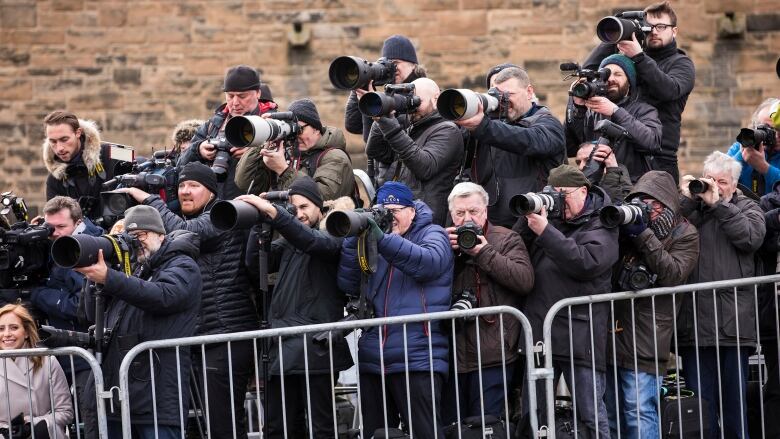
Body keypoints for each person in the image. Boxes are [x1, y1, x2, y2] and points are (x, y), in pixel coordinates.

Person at [115, 162, 258, 438]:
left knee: (222, 425)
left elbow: (183, 230)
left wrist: (149, 201)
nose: (185, 192)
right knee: (193, 426)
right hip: (196, 335)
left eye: (194, 185)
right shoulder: (177, 218)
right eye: (181, 185)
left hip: (224, 336)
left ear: (212, 192)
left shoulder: (221, 216)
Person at [236, 176, 352, 438]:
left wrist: (275, 214)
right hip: (282, 345)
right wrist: (260, 221)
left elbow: (311, 241)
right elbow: (255, 264)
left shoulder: (333, 235)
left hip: (317, 348)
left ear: (320, 209)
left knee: (321, 427)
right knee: (279, 427)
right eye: (294, 208)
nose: (299, 214)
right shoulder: (289, 241)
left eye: (305, 207)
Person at [337, 182, 452, 439]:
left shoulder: (432, 233)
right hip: (374, 359)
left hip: (418, 357)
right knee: (377, 434)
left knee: (426, 433)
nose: (390, 216)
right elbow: (347, 284)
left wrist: (382, 238)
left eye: (396, 210)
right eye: (383, 210)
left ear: (412, 211)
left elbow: (428, 263)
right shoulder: (376, 240)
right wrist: (352, 238)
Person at [77, 205, 202, 438]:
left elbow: (163, 296)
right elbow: (89, 312)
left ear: (161, 235)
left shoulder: (182, 265)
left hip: (156, 395)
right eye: (129, 237)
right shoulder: (131, 270)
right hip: (120, 394)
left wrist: (111, 278)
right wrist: (97, 273)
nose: (136, 242)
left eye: (141, 235)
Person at [514, 165, 619, 438]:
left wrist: (546, 230)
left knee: (591, 414)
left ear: (583, 191)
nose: (559, 200)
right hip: (541, 333)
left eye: (564, 194)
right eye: (553, 193)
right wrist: (531, 213)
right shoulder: (550, 219)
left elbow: (586, 261)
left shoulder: (602, 221)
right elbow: (515, 246)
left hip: (580, 336)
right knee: (533, 416)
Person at [604, 170, 699, 439]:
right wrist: (622, 230)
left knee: (639, 410)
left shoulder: (685, 234)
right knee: (612, 412)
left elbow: (673, 274)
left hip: (648, 334)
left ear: (669, 203)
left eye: (655, 202)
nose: (649, 208)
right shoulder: (629, 231)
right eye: (642, 201)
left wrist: (644, 234)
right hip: (613, 330)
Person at [677, 151, 766, 439]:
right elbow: (668, 228)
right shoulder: (692, 210)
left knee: (734, 409)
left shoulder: (748, 208)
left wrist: (718, 206)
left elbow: (751, 237)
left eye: (722, 182)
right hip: (695, 330)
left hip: (733, 328)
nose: (715, 186)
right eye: (710, 180)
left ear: (735, 184)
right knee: (700, 411)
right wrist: (687, 198)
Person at [442, 182, 533, 424]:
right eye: (460, 213)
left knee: (488, 426)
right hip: (454, 355)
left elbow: (524, 280)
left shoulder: (506, 238)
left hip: (494, 353)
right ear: (452, 214)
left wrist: (483, 252)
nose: (467, 219)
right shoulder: (442, 241)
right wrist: (444, 254)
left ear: (485, 211)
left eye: (473, 211)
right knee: (454, 428)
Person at [583, 1, 695, 183]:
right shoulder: (632, 57)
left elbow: (669, 90)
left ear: (674, 31)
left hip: (658, 157)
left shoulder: (681, 63)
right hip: (620, 151)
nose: (654, 32)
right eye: (649, 27)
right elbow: (589, 71)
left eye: (661, 26)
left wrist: (639, 57)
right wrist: (617, 33)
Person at [455, 66, 566, 228]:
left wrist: (483, 127)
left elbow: (529, 140)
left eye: (509, 95)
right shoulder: (489, 126)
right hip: (490, 222)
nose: (504, 101)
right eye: (499, 96)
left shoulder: (548, 123)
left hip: (530, 221)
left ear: (529, 92)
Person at [30, 196, 102, 439]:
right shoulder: (52, 243)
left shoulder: (89, 246)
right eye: (51, 228)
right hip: (62, 352)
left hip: (86, 355)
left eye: (61, 227)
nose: (55, 234)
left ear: (78, 222)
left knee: (91, 419)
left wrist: (39, 295)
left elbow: (80, 307)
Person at [365, 77, 464, 225]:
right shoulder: (411, 125)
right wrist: (383, 114)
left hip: (424, 219)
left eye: (417, 101)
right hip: (396, 214)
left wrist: (390, 126)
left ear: (436, 99)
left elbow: (424, 167)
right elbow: (376, 151)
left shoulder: (448, 130)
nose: (412, 107)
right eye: (408, 101)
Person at [178, 65, 278, 200]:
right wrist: (198, 149)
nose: (235, 102)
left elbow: (288, 166)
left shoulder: (273, 125)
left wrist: (255, 152)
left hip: (255, 209)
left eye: (242, 96)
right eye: (230, 96)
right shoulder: (214, 125)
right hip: (213, 209)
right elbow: (180, 164)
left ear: (258, 93)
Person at [235, 98, 355, 202]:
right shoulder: (285, 153)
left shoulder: (335, 157)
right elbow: (244, 183)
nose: (295, 136)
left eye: (299, 130)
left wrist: (283, 170)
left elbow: (322, 197)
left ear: (316, 129)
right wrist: (263, 142)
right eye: (292, 132)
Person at [566, 54, 662, 183]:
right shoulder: (591, 112)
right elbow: (570, 147)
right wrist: (578, 108)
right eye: (605, 75)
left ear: (629, 82)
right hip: (596, 187)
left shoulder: (644, 110)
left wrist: (615, 111)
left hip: (631, 187)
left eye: (618, 74)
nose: (611, 79)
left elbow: (652, 142)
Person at [0, 304, 74, 439]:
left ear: (27, 332)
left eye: (14, 327)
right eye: (1, 329)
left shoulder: (47, 361)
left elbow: (65, 412)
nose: (7, 334)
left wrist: (32, 426)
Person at [344, 34, 427, 142]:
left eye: (396, 63)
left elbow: (378, 142)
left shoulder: (424, 92)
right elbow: (353, 125)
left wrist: (372, 103)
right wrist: (361, 83)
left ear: (413, 64)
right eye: (388, 63)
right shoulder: (389, 93)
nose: (392, 68)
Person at [42, 110, 119, 220]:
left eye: (64, 139)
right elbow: (56, 221)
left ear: (78, 133)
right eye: (53, 141)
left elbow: (142, 164)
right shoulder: (54, 179)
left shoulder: (113, 151)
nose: (59, 148)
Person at [726, 98, 780, 195]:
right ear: (755, 127)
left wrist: (764, 168)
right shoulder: (738, 148)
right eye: (767, 128)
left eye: (778, 129)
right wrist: (742, 155)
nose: (775, 135)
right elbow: (718, 180)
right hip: (743, 209)